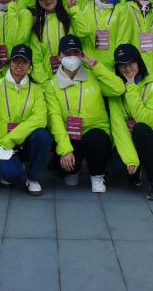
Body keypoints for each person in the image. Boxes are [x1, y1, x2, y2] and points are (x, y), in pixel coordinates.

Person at [44, 35, 125, 193]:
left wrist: (96, 66)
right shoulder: (51, 85)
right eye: (67, 53)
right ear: (59, 57)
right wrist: (65, 150)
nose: (71, 57)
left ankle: (97, 175)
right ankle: (73, 170)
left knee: (96, 141)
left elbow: (119, 88)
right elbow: (54, 119)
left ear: (81, 55)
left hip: (94, 129)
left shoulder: (93, 75)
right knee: (67, 166)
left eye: (75, 53)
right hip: (69, 133)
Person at [0, 44, 51, 196]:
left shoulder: (36, 89)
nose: (19, 65)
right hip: (2, 144)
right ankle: (14, 169)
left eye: (24, 61)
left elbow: (40, 119)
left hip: (23, 141)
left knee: (43, 136)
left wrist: (12, 138)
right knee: (12, 174)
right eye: (15, 61)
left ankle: (32, 178)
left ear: (30, 65)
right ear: (9, 62)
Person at [108, 44, 153, 201]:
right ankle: (136, 168)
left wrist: (131, 89)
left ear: (139, 62)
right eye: (122, 65)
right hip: (128, 139)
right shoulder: (116, 91)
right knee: (119, 168)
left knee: (140, 129)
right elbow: (119, 127)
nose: (127, 68)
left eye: (131, 62)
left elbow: (145, 119)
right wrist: (130, 159)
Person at [28, 0, 93, 84]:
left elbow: (85, 31)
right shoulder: (37, 26)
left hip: (74, 76)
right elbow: (36, 60)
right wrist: (46, 83)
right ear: (38, 2)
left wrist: (73, 8)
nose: (47, 0)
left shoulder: (69, 16)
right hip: (50, 81)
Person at [78, 0, 136, 69]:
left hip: (112, 69)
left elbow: (123, 41)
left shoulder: (122, 10)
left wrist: (117, 63)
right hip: (88, 67)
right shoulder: (86, 7)